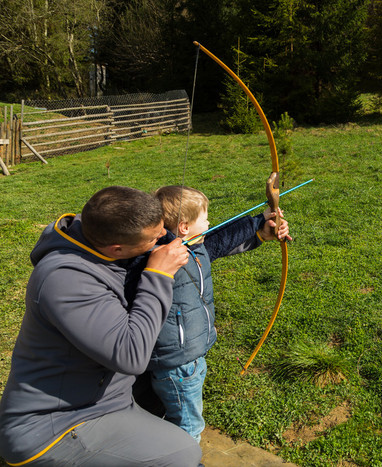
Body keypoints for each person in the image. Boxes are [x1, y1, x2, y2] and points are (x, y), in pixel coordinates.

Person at [0, 186, 202, 466]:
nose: (164, 238)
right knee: (183, 453)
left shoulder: (99, 233)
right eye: (155, 236)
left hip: (107, 398)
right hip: (55, 426)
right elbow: (130, 356)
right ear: (117, 249)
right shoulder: (65, 280)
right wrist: (158, 275)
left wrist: (257, 232)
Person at [146, 185, 290, 442]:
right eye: (205, 218)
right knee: (189, 430)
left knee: (176, 416)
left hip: (191, 357)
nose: (210, 222)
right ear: (184, 227)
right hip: (178, 363)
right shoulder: (162, 258)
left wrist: (262, 223)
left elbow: (222, 239)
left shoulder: (196, 247)